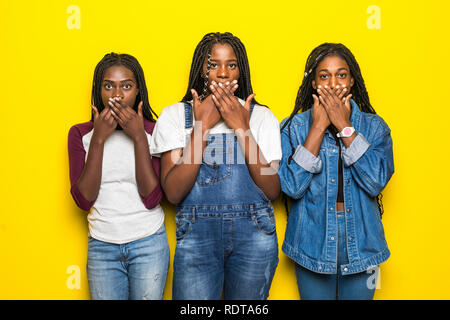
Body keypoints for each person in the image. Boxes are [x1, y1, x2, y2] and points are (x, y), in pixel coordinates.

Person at [151, 32, 281, 300]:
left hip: (254, 240)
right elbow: (173, 193)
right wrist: (202, 127)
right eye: (213, 64)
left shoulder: (262, 117)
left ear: (240, 70)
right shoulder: (175, 116)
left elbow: (271, 187)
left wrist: (243, 127)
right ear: (202, 69)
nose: (222, 73)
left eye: (231, 65)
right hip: (197, 240)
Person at [278, 43, 394, 300]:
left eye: (341, 75)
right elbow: (291, 187)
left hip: (363, 244)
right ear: (313, 84)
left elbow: (376, 181)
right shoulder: (293, 127)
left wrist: (343, 124)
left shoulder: (375, 127)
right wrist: (318, 128)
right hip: (310, 241)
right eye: (324, 76)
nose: (333, 83)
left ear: (352, 81)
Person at [68, 53, 169, 300]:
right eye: (108, 85)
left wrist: (137, 136)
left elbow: (153, 197)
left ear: (138, 91)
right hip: (102, 245)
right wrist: (99, 138)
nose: (117, 95)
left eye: (126, 86)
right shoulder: (80, 134)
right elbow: (84, 200)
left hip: (148, 243)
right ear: (98, 90)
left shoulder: (153, 131)